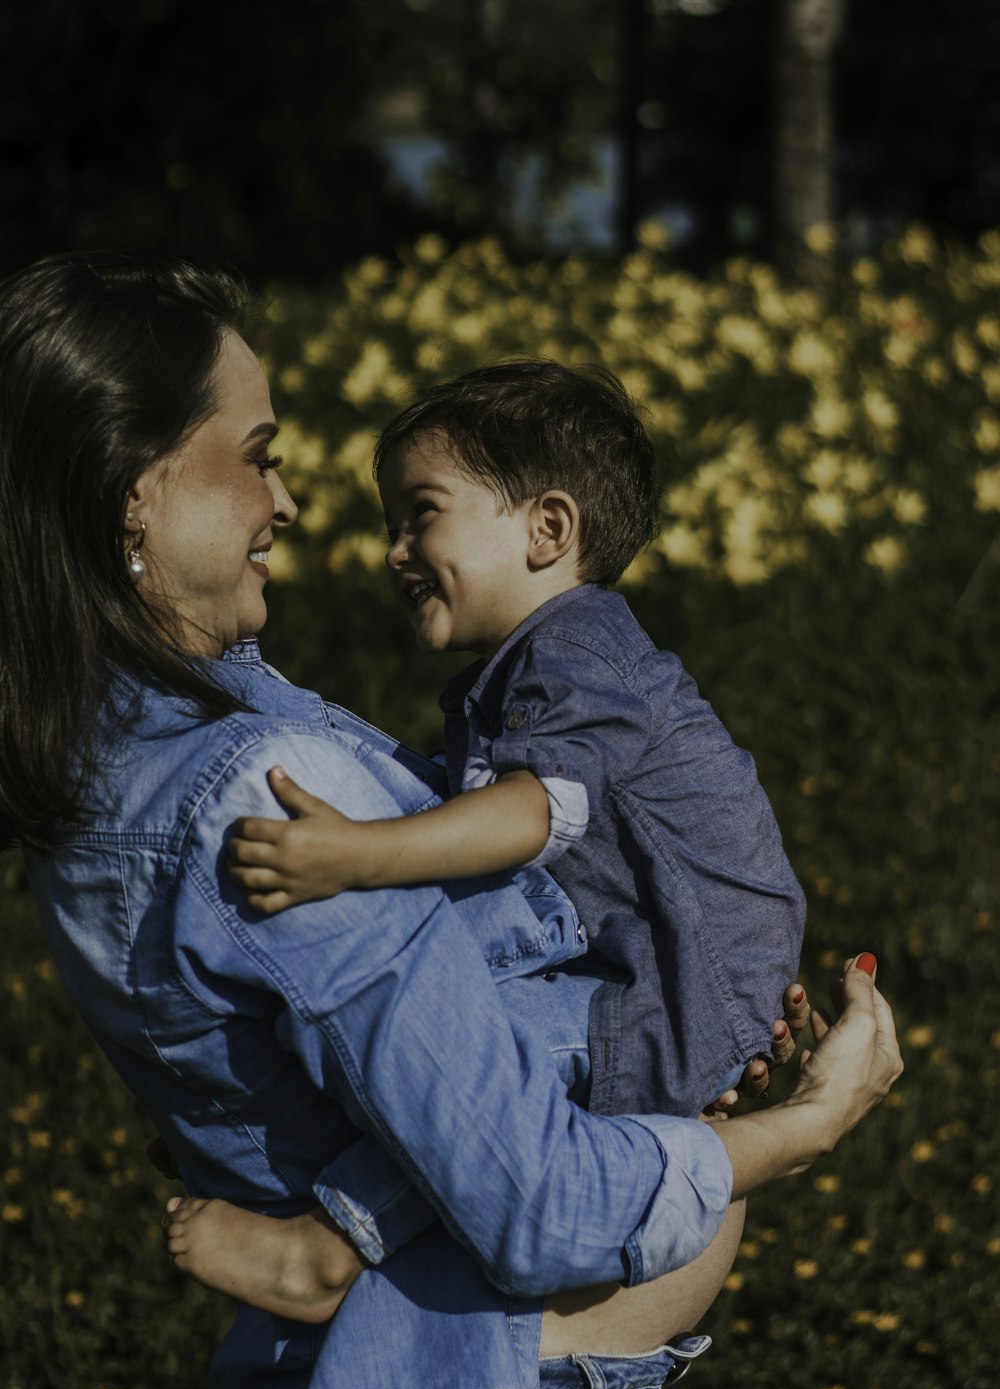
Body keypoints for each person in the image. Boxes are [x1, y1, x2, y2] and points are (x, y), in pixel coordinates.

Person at [0, 251, 903, 1389]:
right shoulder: (265, 790)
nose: (291, 503)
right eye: (257, 452)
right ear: (134, 490)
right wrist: (805, 1130)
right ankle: (338, 1243)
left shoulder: (101, 774)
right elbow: (538, 1203)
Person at [224, 361, 806, 1121]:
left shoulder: (578, 651)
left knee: (440, 1070)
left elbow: (537, 812)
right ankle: (271, 1122)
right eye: (389, 527)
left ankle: (323, 1228)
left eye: (421, 515)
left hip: (674, 1001)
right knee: (391, 1034)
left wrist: (358, 854)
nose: (395, 552)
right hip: (641, 975)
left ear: (548, 530)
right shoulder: (538, 660)